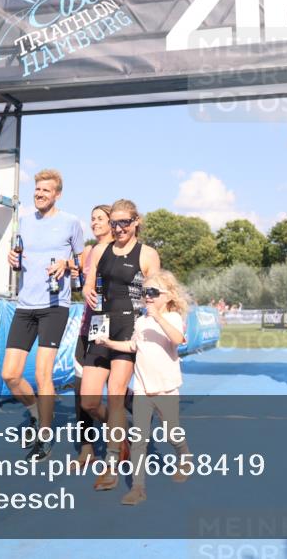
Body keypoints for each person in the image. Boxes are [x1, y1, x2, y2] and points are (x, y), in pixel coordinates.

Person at [3, 169, 84, 461]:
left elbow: (81, 263)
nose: (39, 194)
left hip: (54, 306)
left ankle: (45, 437)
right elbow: (18, 257)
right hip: (25, 305)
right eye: (37, 190)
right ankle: (36, 413)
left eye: (45, 191)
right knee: (10, 374)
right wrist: (12, 260)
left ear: (57, 194)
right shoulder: (23, 222)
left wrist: (67, 264)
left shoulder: (70, 223)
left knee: (42, 373)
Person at [81, 198, 160, 491]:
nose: (118, 228)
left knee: (114, 392)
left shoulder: (147, 254)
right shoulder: (100, 249)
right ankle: (122, 434)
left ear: (136, 221)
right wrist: (89, 292)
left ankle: (112, 463)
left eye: (124, 223)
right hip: (101, 323)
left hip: (129, 324)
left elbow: (155, 293)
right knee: (89, 400)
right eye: (114, 223)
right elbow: (89, 284)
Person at [97, 270, 192, 505]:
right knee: (140, 440)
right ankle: (138, 488)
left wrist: (158, 317)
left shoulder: (172, 318)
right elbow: (133, 346)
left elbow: (177, 340)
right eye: (144, 292)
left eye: (153, 292)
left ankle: (184, 455)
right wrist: (108, 342)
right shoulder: (141, 321)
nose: (147, 296)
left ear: (168, 296)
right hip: (141, 388)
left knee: (172, 432)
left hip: (167, 388)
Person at [72, 203, 113, 468]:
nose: (95, 222)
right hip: (87, 324)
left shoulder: (117, 250)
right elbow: (81, 287)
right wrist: (77, 277)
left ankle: (118, 431)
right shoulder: (88, 250)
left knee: (108, 387)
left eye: (101, 218)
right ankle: (87, 447)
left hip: (109, 323)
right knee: (80, 389)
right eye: (93, 218)